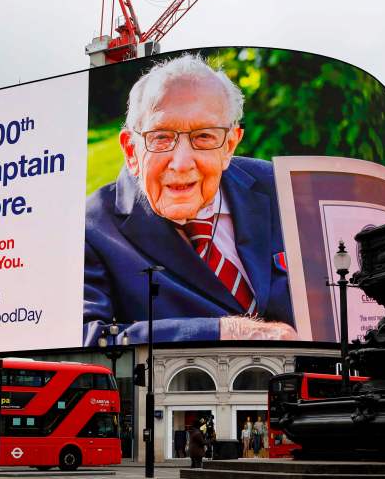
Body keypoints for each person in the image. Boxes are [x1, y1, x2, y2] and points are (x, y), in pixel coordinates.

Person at [83, 54, 296, 346]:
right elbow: (86, 338)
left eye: (204, 136)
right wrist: (226, 333)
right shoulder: (90, 229)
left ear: (230, 145)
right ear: (131, 151)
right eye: (161, 137)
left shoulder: (280, 187)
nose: (181, 163)